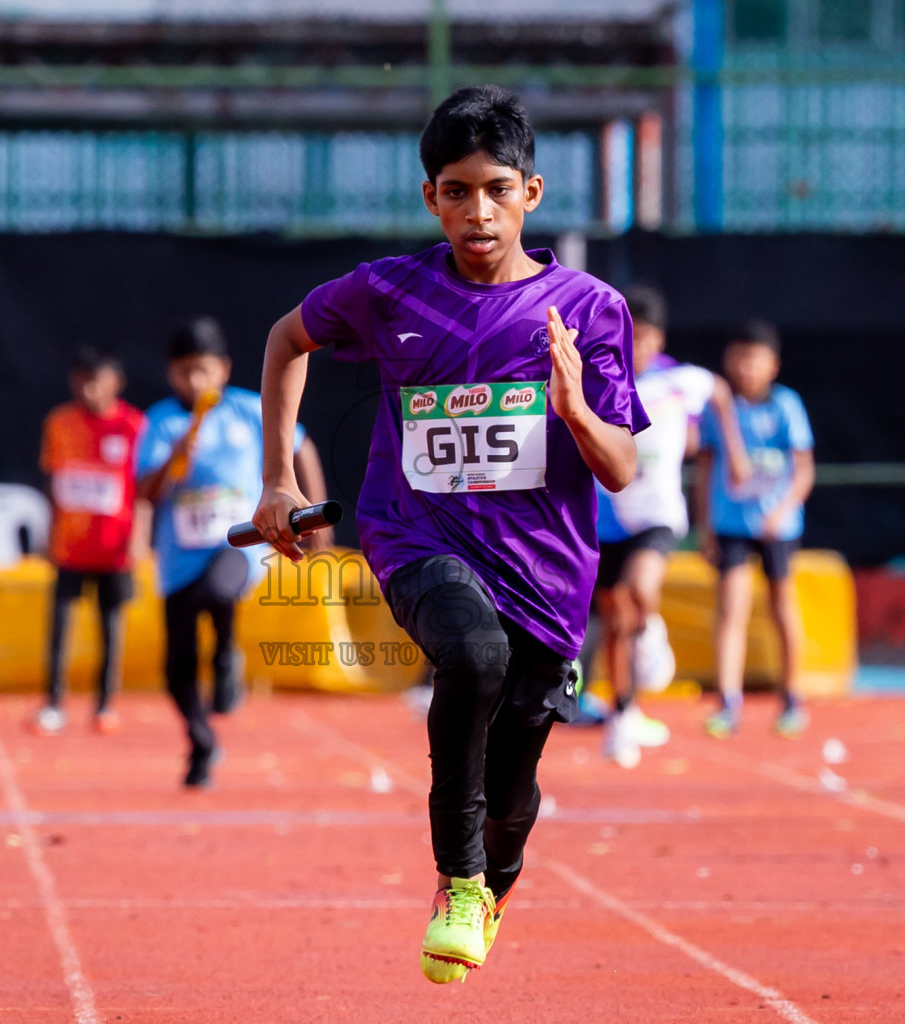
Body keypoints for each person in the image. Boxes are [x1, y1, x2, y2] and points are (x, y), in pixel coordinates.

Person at [251, 85, 647, 985]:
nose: (479, 210)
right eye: (458, 190)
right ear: (430, 196)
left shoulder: (586, 310)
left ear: (531, 194)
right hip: (415, 535)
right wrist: (277, 477)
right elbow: (286, 339)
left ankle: (492, 880)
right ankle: (459, 883)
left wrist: (576, 408)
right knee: (470, 656)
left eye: (498, 189)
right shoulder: (387, 291)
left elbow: (621, 470)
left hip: (546, 578)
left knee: (513, 789)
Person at [137, 317, 329, 788]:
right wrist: (177, 451)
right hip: (179, 556)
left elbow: (301, 446)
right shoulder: (162, 421)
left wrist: (315, 511)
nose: (195, 381)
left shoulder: (247, 410)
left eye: (203, 370)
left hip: (238, 542)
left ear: (222, 368)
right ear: (171, 375)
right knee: (175, 668)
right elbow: (147, 490)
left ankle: (225, 656)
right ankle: (202, 744)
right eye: (185, 372)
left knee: (218, 592)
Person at [592, 284, 747, 768]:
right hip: (605, 518)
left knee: (640, 588)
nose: (634, 348)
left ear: (658, 340)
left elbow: (721, 393)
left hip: (657, 515)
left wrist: (734, 452)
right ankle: (624, 711)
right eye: (625, 337)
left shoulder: (680, 380)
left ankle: (653, 629)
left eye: (643, 339)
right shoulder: (597, 380)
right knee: (615, 620)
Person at [696, 321, 814, 740]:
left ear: (773, 365)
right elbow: (707, 467)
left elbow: (804, 470)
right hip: (730, 523)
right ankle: (728, 701)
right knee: (732, 609)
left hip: (776, 527)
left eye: (754, 358)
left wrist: (782, 512)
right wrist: (705, 527)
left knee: (783, 605)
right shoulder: (719, 408)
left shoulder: (786, 406)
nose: (745, 366)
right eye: (739, 356)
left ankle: (792, 697)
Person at [32, 348, 149, 736]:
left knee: (110, 628)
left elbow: (145, 488)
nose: (89, 388)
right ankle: (53, 703)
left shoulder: (134, 426)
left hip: (115, 549)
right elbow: (53, 481)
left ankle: (104, 705)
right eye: (82, 379)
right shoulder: (59, 423)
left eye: (97, 379)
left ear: (116, 383)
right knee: (60, 626)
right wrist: (50, 532)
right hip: (70, 547)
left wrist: (139, 538)